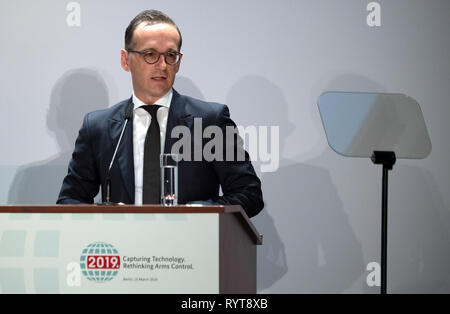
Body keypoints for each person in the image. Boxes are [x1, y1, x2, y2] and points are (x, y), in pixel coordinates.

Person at [57, 10, 263, 218]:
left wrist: (191, 214)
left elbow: (248, 194)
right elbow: (70, 201)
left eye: (171, 55)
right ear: (125, 60)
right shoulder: (98, 127)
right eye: (150, 55)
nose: (162, 65)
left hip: (191, 245)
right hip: (121, 245)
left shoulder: (209, 121)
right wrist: (107, 214)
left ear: (179, 62)